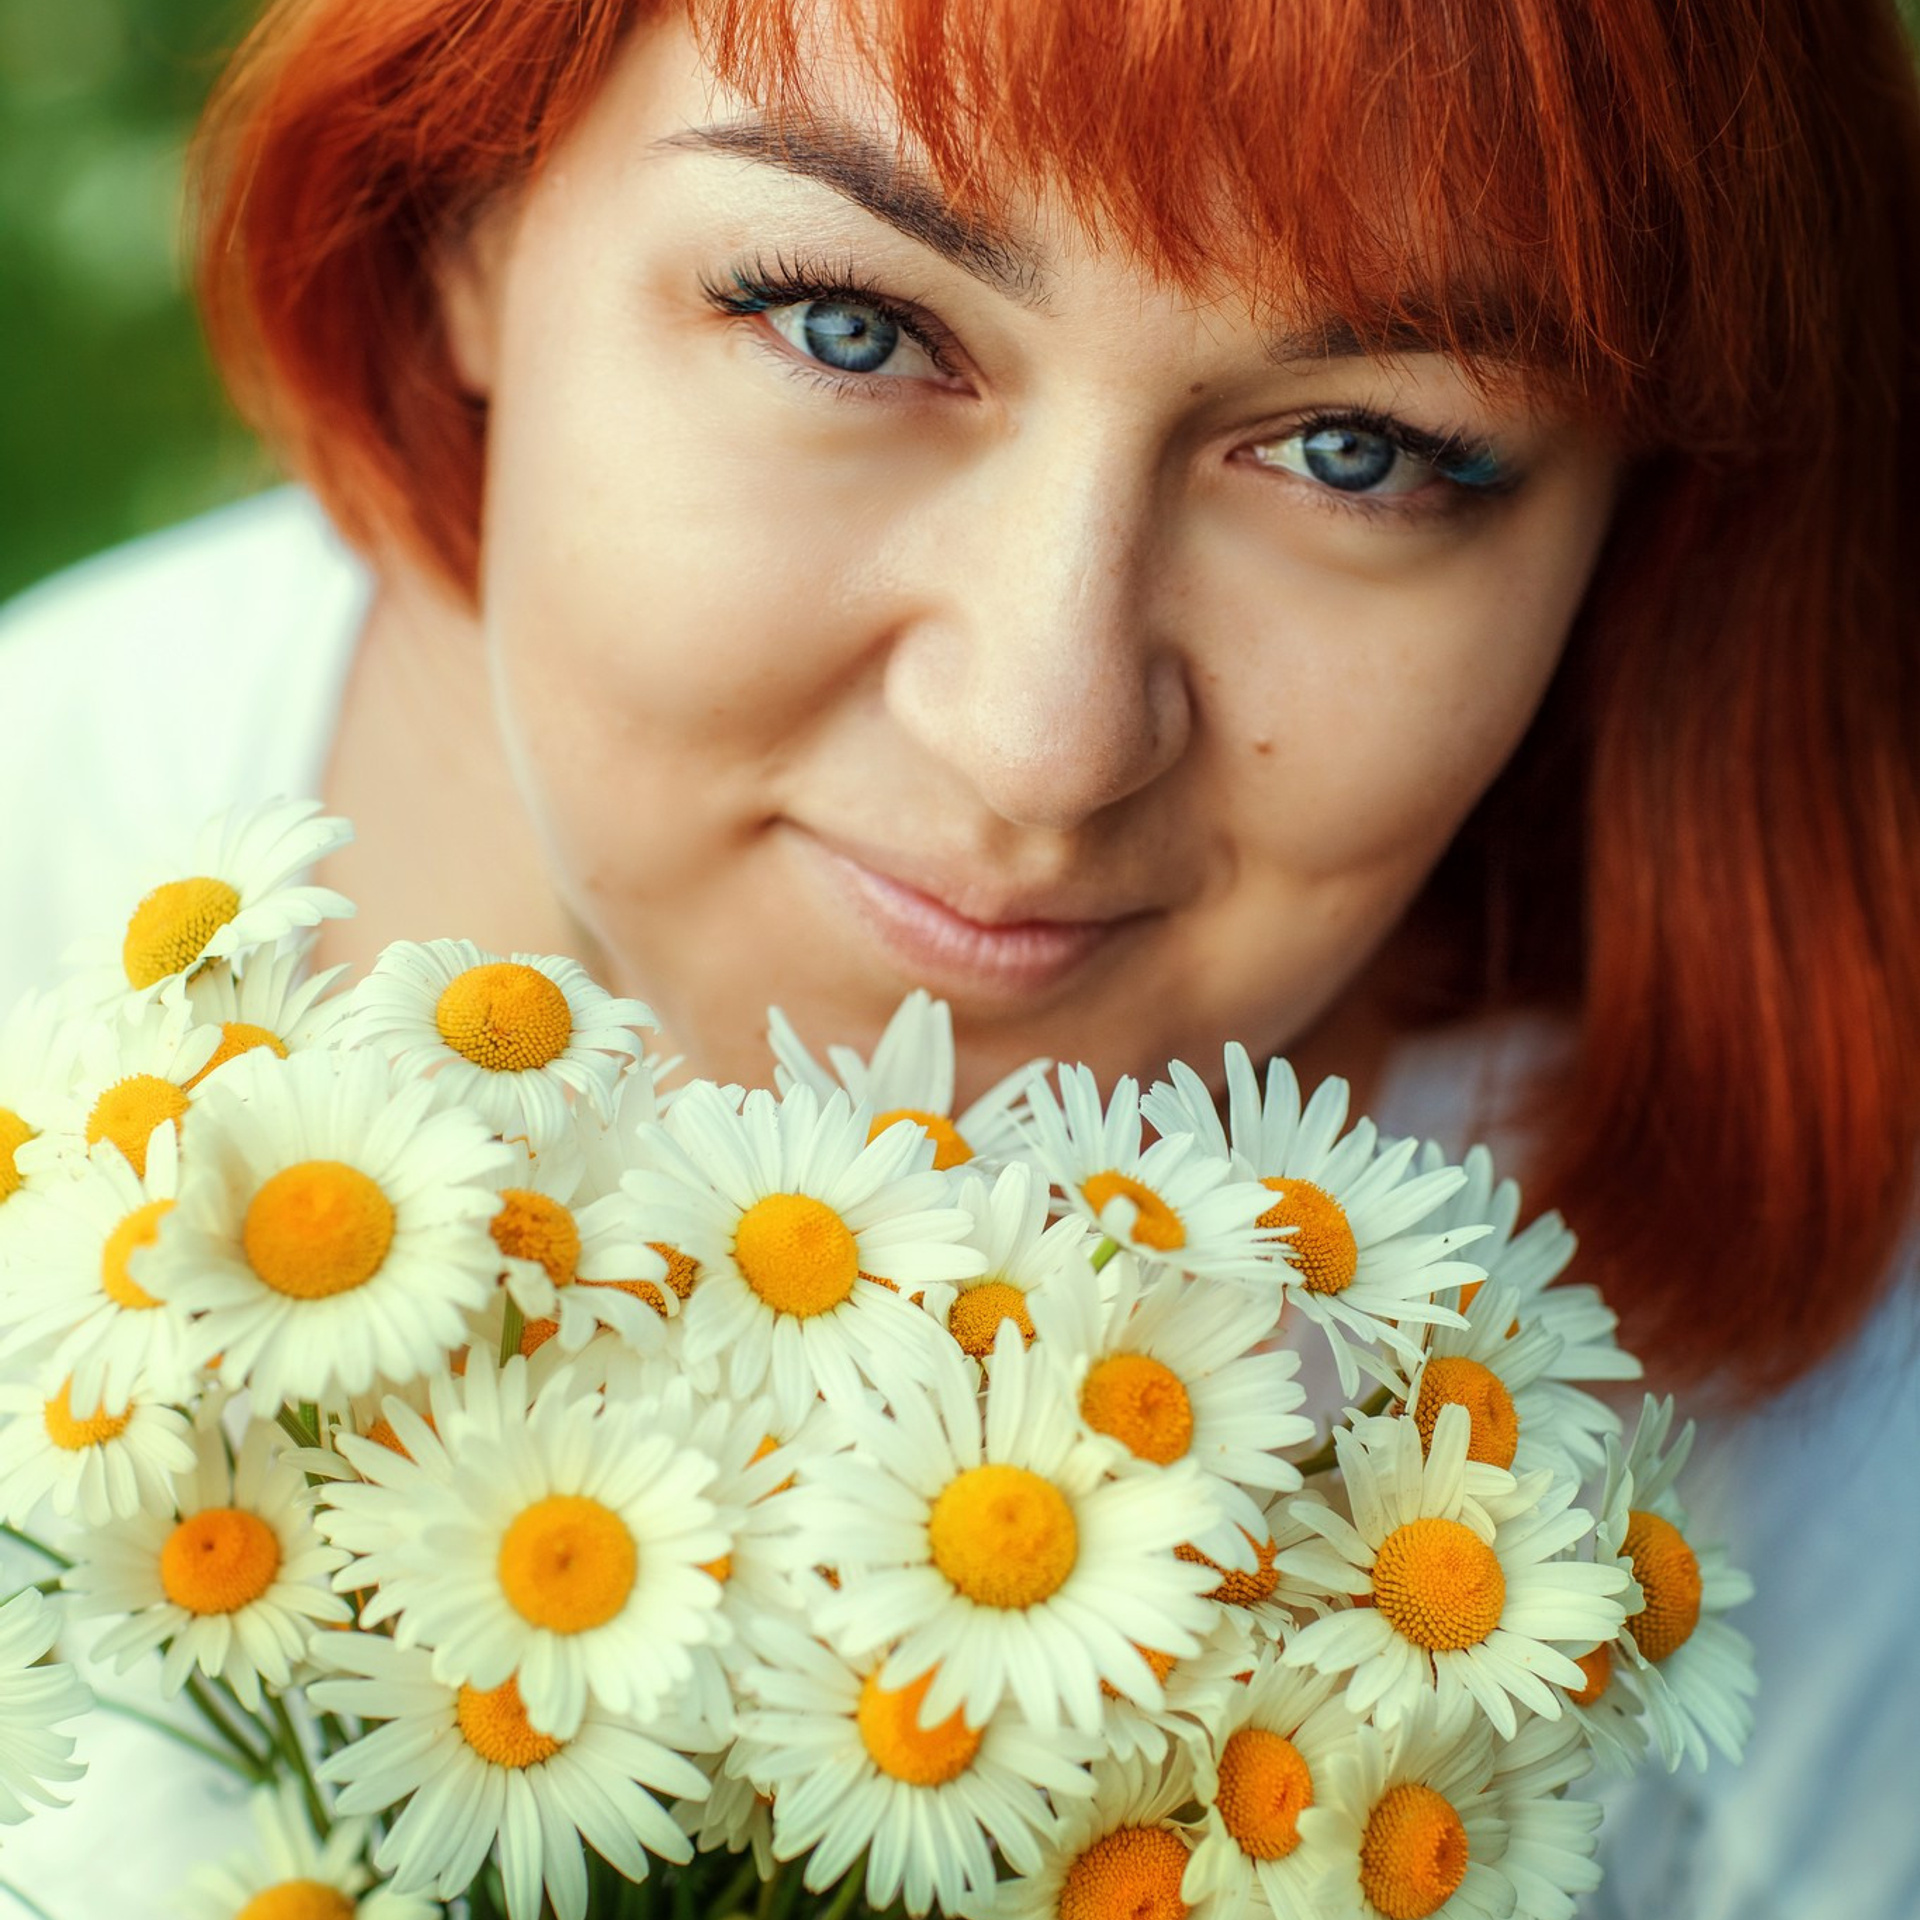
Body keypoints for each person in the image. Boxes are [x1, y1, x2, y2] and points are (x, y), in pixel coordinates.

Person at [1, 1, 1916, 1915]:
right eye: (851, 325)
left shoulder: (1817, 1473)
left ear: (1639, 514)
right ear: (465, 220)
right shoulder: (51, 840)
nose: (1044, 740)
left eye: (1357, 449)